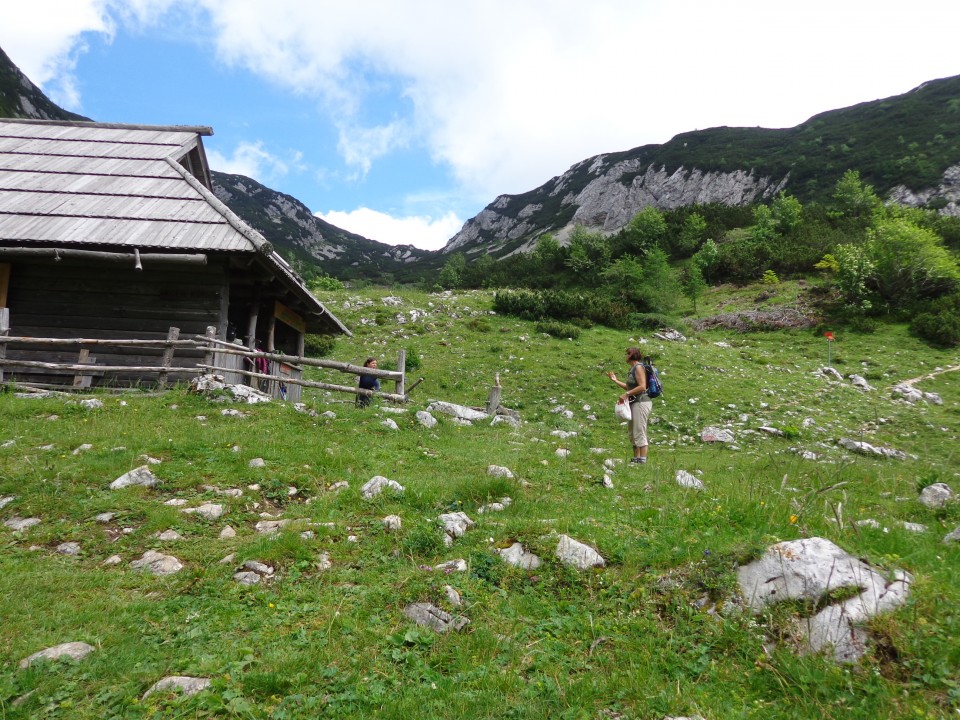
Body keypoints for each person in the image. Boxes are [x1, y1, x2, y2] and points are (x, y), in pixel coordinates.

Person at [607, 347, 653, 464]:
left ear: (632, 354)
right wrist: (615, 380)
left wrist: (626, 394)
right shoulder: (632, 369)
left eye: (627, 354)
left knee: (639, 430)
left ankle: (642, 459)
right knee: (632, 432)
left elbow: (642, 386)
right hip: (634, 403)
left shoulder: (638, 367)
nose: (625, 356)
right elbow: (630, 387)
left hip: (641, 402)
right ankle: (636, 458)